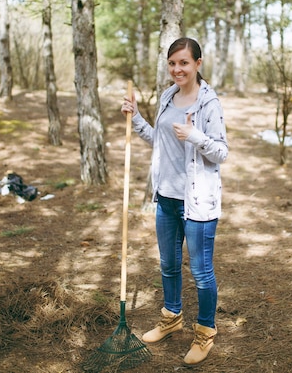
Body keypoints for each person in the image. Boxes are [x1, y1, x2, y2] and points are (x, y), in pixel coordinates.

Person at [121, 37, 228, 365]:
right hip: (166, 198)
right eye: (172, 63)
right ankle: (172, 318)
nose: (177, 69)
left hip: (197, 203)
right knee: (168, 265)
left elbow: (221, 152)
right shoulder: (169, 95)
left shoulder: (209, 104)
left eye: (184, 62)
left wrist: (195, 136)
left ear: (198, 64)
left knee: (201, 271)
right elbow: (160, 141)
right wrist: (137, 118)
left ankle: (205, 332)